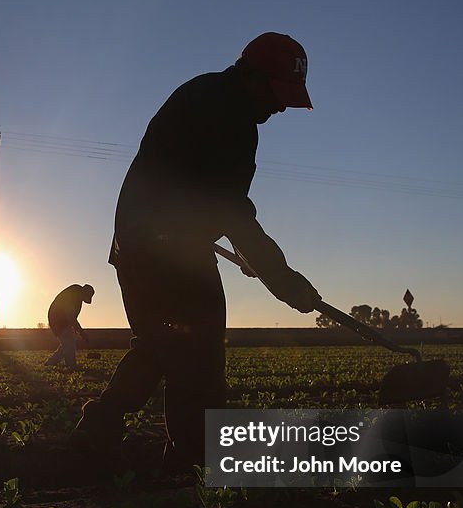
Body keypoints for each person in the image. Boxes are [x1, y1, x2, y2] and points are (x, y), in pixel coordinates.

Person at [72, 33, 322, 464]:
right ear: (250, 75)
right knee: (201, 348)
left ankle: (99, 429)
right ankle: (195, 453)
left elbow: (203, 195)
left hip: (135, 242)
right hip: (170, 251)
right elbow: (231, 210)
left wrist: (236, 246)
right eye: (278, 94)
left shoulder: (204, 93)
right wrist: (284, 281)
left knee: (158, 343)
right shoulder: (231, 118)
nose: (280, 107)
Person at [44, 284, 95, 370]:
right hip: (58, 320)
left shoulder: (77, 295)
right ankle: (71, 364)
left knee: (67, 342)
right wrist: (82, 333)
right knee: (69, 341)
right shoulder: (73, 294)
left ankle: (51, 362)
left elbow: (72, 316)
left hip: (61, 320)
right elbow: (70, 316)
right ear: (84, 293)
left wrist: (75, 329)